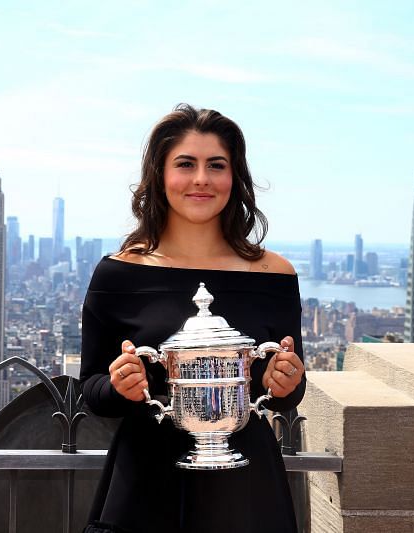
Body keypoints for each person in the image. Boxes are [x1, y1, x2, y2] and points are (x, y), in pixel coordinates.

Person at [80, 104, 306, 533]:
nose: (201, 178)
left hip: (247, 492)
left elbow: (287, 393)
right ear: (161, 175)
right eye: (186, 164)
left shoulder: (274, 276)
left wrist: (287, 381)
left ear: (233, 178)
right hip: (144, 489)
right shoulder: (118, 274)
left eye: (216, 165)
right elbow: (91, 389)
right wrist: (119, 385)